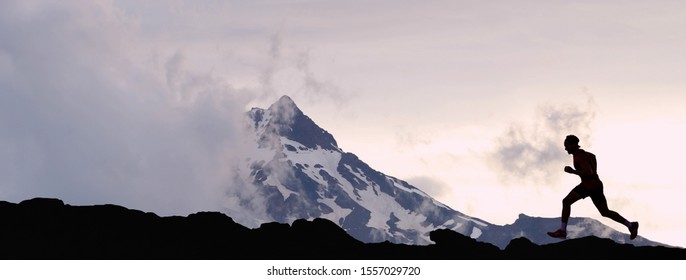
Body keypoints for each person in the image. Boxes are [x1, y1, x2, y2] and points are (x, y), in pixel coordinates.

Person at [547, 135, 639, 240]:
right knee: (605, 212)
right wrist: (594, 172)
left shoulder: (579, 156)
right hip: (595, 185)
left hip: (589, 187)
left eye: (567, 145)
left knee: (566, 202)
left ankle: (563, 231)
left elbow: (588, 172)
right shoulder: (586, 154)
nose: (565, 148)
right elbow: (593, 157)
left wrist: (573, 171)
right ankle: (631, 225)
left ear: (573, 145)